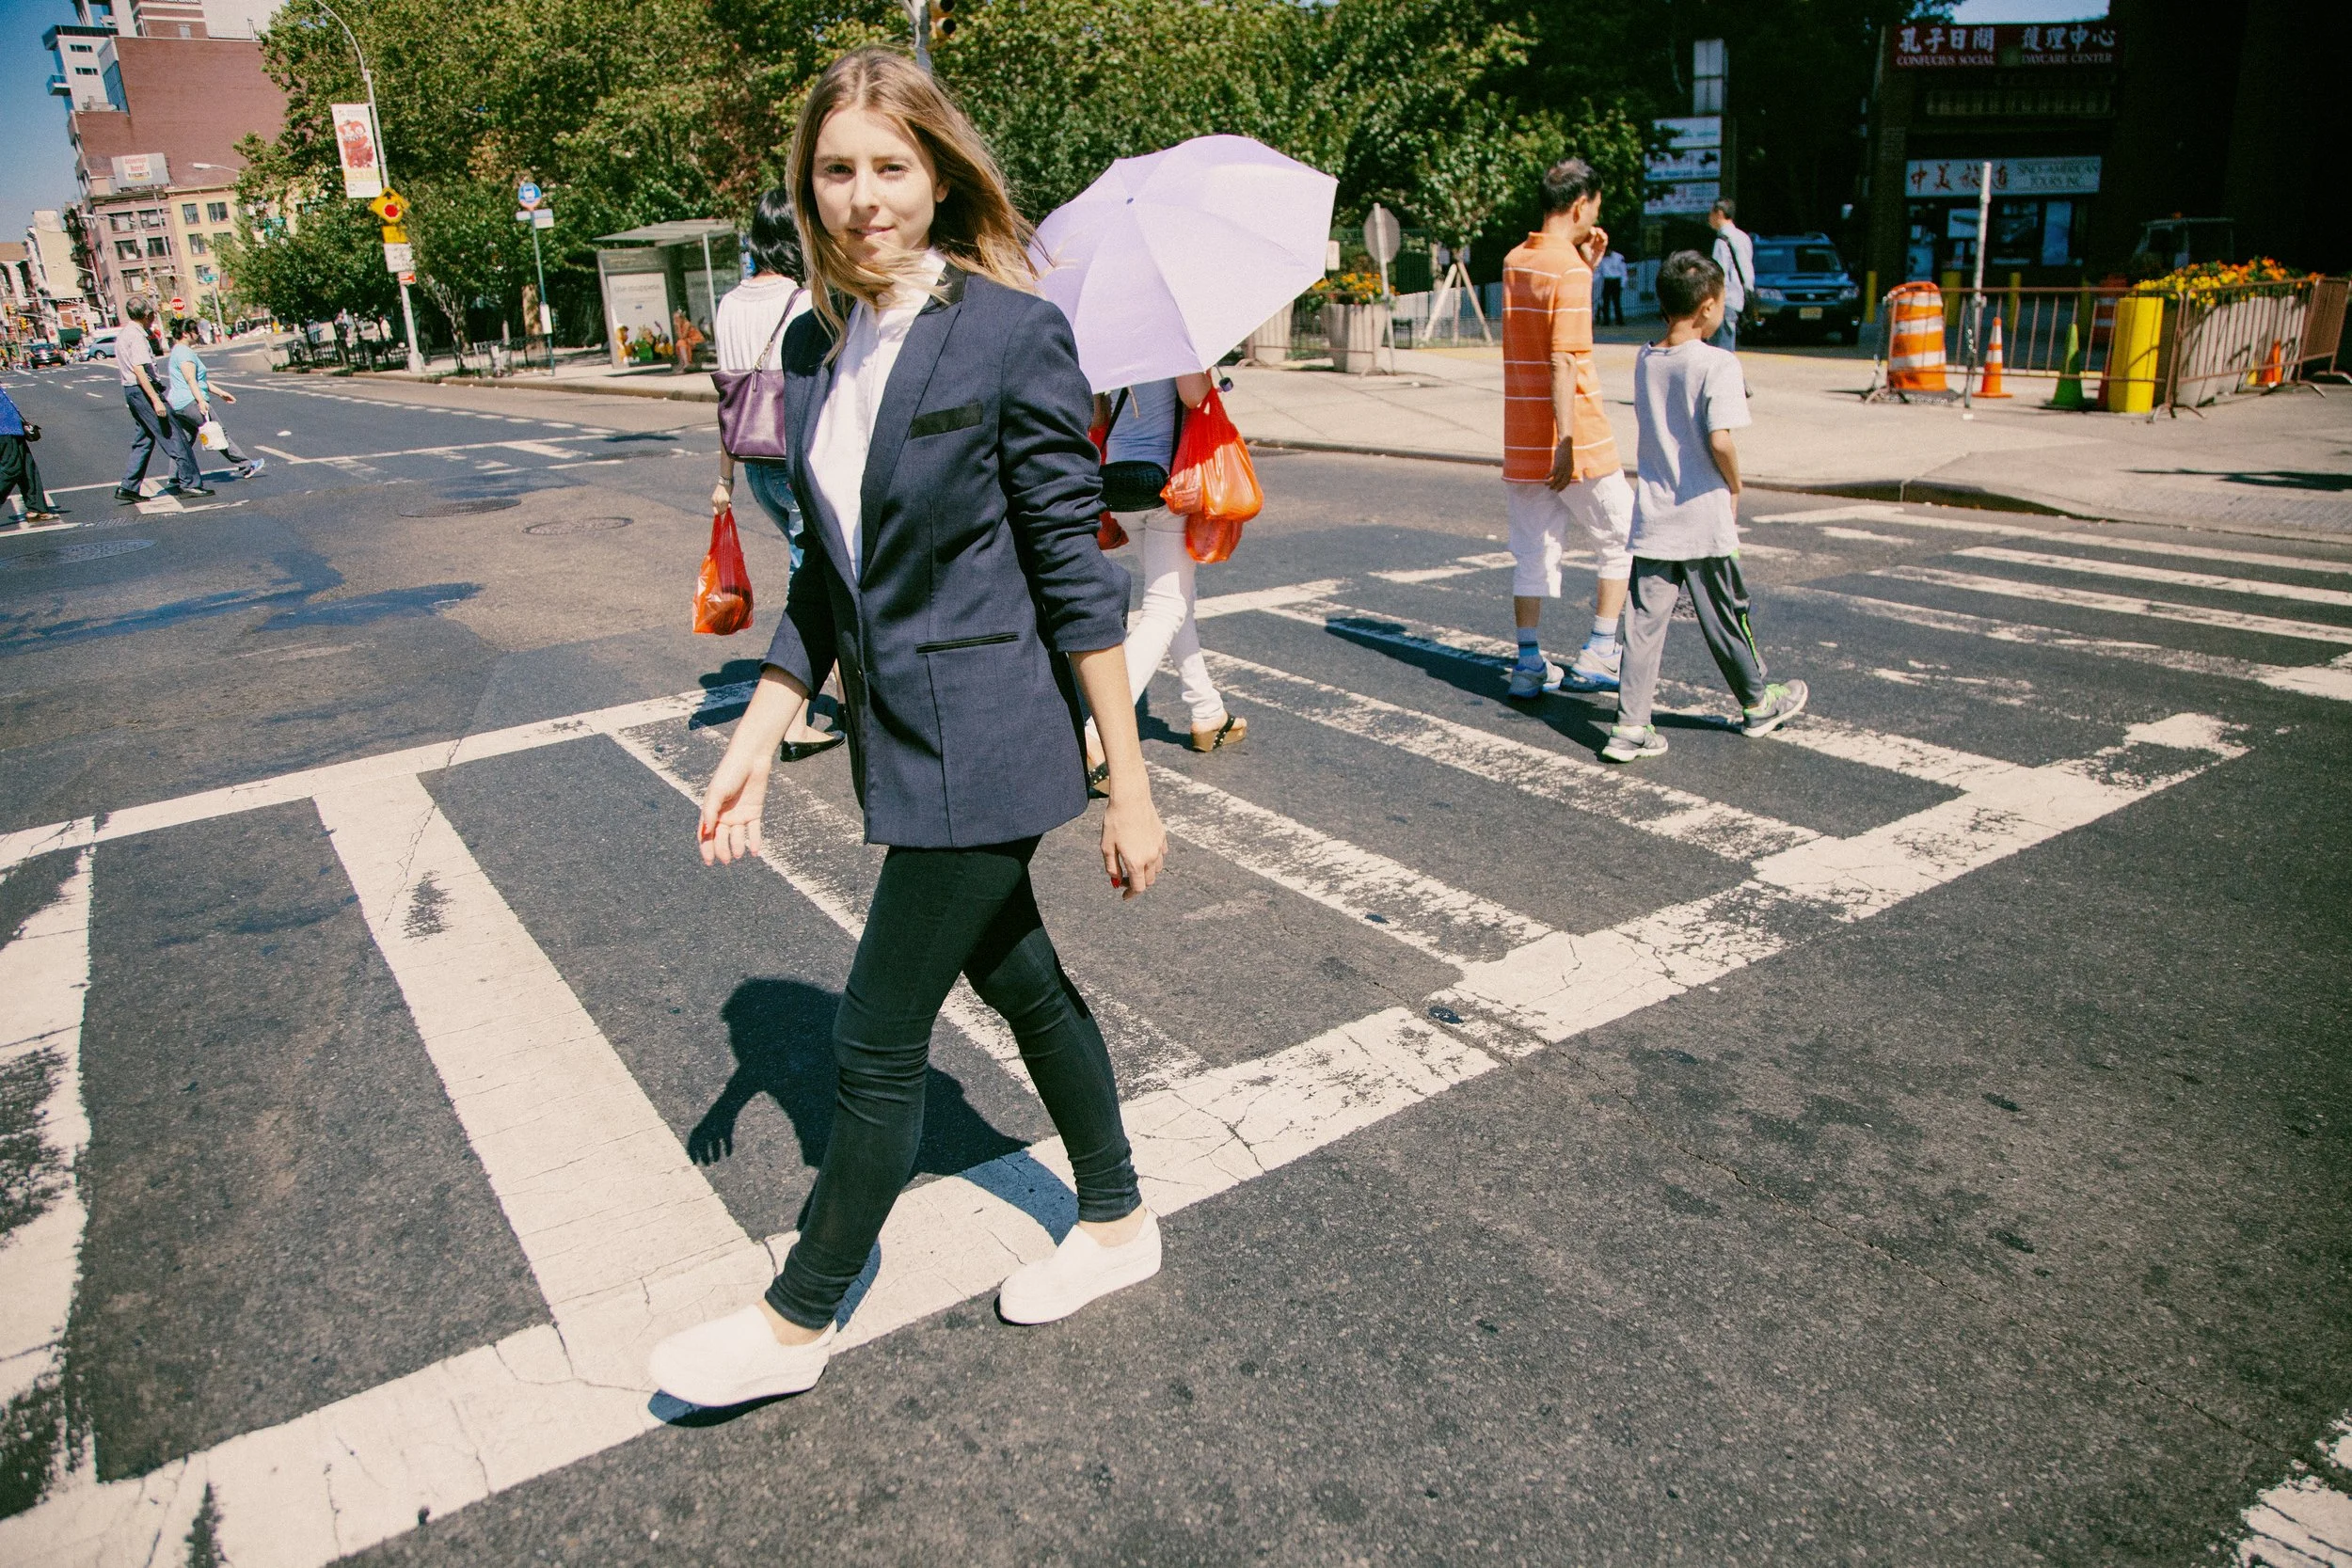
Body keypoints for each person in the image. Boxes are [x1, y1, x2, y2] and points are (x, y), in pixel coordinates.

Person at [649, 46, 1168, 1410]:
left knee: (876, 1036)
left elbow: (1073, 564)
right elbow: (831, 576)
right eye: (837, 170)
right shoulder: (818, 346)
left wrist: (1127, 775)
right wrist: (756, 734)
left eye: (891, 165)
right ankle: (1117, 1217)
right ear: (805, 185)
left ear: (938, 171)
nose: (864, 196)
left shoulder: (1009, 332)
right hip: (902, 738)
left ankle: (798, 1315)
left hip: (992, 739)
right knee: (1024, 982)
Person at [1603, 251, 1806, 764]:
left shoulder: (1646, 358)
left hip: (1654, 513)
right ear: (1710, 307)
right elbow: (1720, 440)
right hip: (1702, 511)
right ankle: (1758, 702)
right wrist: (1735, 484)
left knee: (1643, 623)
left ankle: (1629, 725)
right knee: (1726, 616)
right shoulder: (1718, 363)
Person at [1499, 157, 1636, 700]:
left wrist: (1588, 266)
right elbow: (1563, 360)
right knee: (1622, 539)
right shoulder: (1570, 272)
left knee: (1531, 551)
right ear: (1581, 205)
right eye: (1596, 207)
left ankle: (1528, 663)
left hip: (1521, 433)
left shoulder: (1516, 260)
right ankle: (1601, 650)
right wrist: (1567, 442)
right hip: (1575, 438)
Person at [711, 186, 836, 761]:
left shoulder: (728, 303)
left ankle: (820, 700)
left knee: (811, 569)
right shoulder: (806, 299)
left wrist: (726, 479)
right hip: (798, 462)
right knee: (813, 578)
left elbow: (729, 401)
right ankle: (795, 718)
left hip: (755, 466)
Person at [1080, 372, 1242, 786]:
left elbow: (1097, 412)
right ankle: (1098, 732)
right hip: (1169, 481)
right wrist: (1215, 380)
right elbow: (1192, 395)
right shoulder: (1169, 334)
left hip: (1118, 482)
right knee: (1165, 606)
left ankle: (1207, 711)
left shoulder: (1110, 335)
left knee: (1170, 596)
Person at [112, 298, 203, 502]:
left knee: (144, 440)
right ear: (146, 315)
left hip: (132, 391)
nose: (154, 316)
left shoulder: (125, 334)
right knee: (175, 436)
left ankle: (129, 486)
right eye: (152, 313)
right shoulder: (136, 337)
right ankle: (190, 483)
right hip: (144, 391)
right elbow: (139, 369)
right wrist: (156, 400)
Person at [164, 319, 263, 482]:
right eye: (195, 330)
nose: (198, 333)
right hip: (191, 402)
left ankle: (174, 476)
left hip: (179, 404)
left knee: (184, 441)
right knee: (219, 433)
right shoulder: (185, 353)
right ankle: (246, 466)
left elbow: (200, 380)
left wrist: (221, 392)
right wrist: (201, 401)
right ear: (185, 334)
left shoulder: (177, 351)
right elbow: (191, 380)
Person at [0, 381, 62, 524]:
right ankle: (36, 508)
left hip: (12, 428)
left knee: (27, 469)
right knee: (11, 469)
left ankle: (37, 508)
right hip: (4, 430)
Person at [1707, 199, 1755, 353]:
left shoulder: (1722, 240)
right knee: (1728, 344)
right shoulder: (1743, 237)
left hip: (1724, 300)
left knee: (1721, 351)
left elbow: (1717, 274)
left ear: (1719, 213)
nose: (1709, 218)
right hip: (1739, 299)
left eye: (1711, 213)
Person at [1597, 246, 1628, 326]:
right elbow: (1599, 271)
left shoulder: (1619, 257)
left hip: (1616, 280)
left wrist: (1622, 284)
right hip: (1607, 281)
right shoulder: (1601, 258)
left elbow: (1623, 272)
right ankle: (1606, 321)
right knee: (1605, 302)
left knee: (1616, 302)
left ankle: (1619, 320)